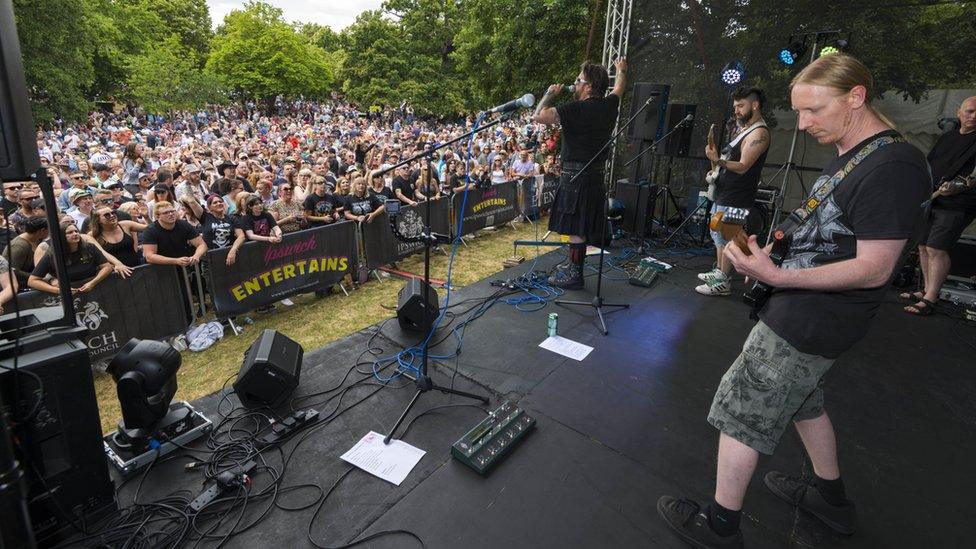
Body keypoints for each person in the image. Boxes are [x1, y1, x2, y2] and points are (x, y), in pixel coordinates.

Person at [656, 53, 930, 548]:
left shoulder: (893, 165)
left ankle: (721, 528)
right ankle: (831, 501)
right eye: (799, 113)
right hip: (810, 308)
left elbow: (876, 267)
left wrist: (776, 273)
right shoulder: (859, 154)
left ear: (856, 97)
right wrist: (777, 245)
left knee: (741, 409)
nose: (803, 125)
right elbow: (833, 233)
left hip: (813, 317)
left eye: (813, 111)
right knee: (806, 403)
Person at [531, 57, 628, 288]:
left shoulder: (575, 109)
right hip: (595, 176)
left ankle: (574, 274)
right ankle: (573, 266)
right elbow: (619, 89)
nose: (574, 83)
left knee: (576, 228)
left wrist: (549, 94)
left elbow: (538, 116)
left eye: (578, 80)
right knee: (582, 225)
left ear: (589, 86)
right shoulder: (609, 105)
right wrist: (622, 71)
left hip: (575, 177)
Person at [697, 86, 772, 296]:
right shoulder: (745, 130)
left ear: (755, 105)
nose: (737, 110)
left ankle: (723, 282)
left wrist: (717, 160)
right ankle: (720, 273)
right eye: (735, 106)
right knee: (718, 234)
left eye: (741, 106)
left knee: (728, 237)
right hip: (725, 192)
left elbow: (744, 165)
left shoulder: (760, 133)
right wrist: (716, 168)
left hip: (738, 196)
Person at [905, 96, 976, 315]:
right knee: (923, 246)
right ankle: (927, 290)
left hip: (959, 203)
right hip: (933, 198)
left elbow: (972, 177)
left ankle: (931, 298)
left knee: (937, 247)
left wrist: (956, 186)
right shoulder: (948, 138)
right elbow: (930, 163)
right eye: (970, 111)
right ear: (959, 112)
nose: (973, 116)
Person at [29, 221, 114, 295]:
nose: (75, 234)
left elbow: (107, 267)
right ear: (61, 236)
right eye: (70, 233)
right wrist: (59, 291)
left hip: (95, 289)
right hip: (70, 297)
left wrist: (92, 283)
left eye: (76, 231)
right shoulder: (52, 255)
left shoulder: (90, 247)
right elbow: (32, 281)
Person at [183, 194, 245, 265]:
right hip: (210, 259)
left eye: (220, 201)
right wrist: (187, 196)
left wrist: (233, 250)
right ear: (209, 207)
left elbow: (241, 236)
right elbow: (192, 202)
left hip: (229, 257)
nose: (219, 203)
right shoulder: (205, 217)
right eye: (215, 202)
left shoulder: (231, 218)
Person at [142, 201, 207, 268]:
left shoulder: (184, 225)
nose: (171, 214)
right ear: (157, 216)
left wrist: (196, 256)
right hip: (163, 269)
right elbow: (149, 257)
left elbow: (202, 244)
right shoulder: (150, 231)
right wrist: (175, 261)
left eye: (172, 211)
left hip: (187, 265)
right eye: (166, 213)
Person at [3, 216, 48, 286]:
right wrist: (36, 277)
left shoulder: (37, 239)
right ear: (42, 231)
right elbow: (13, 270)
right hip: (20, 283)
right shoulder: (18, 247)